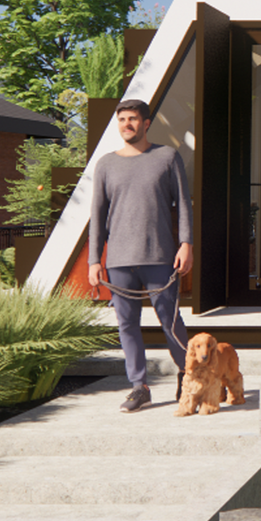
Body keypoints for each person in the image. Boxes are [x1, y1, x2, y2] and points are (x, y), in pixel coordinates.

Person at [86, 97, 194, 411]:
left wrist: (186, 244)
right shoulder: (106, 164)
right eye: (122, 120)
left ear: (146, 124)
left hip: (159, 256)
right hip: (119, 260)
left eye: (132, 119)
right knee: (127, 325)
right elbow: (98, 214)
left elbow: (183, 205)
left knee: (170, 321)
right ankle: (139, 386)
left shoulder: (166, 157)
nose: (127, 125)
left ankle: (189, 375)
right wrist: (95, 260)